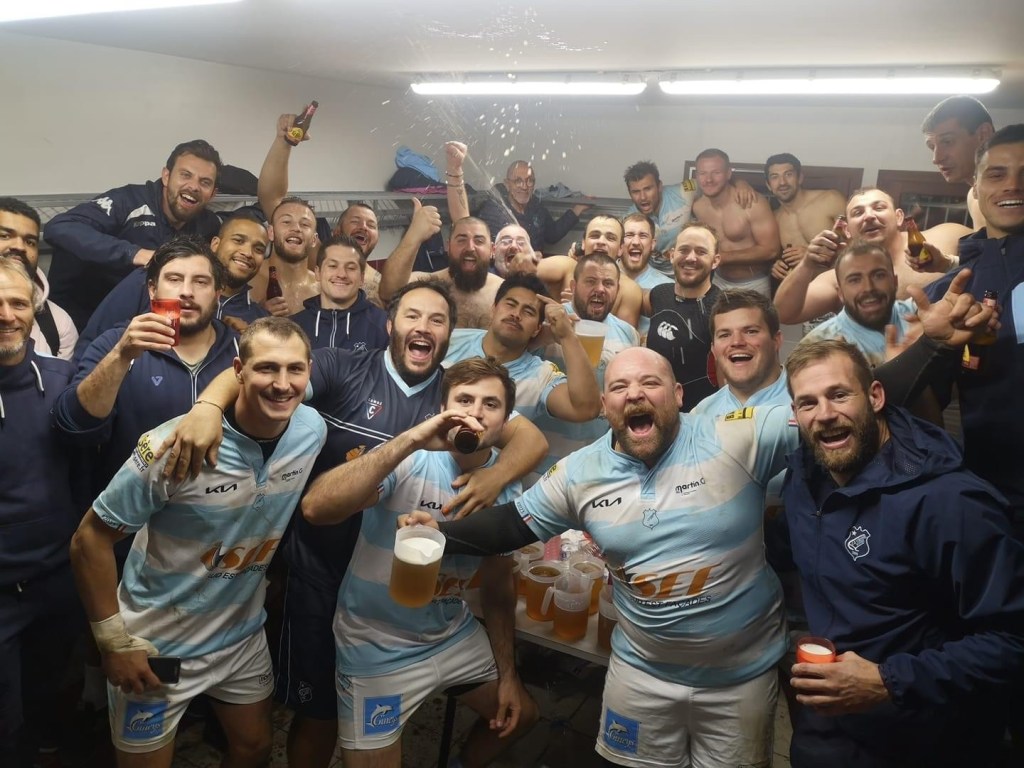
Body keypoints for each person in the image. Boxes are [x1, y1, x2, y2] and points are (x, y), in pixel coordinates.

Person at [158, 279, 549, 768]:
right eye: (412, 315)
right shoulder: (346, 366)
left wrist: (495, 476)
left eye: (437, 320)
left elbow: (528, 438)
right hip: (323, 570)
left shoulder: (455, 392)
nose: (424, 327)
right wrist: (208, 406)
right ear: (390, 324)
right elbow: (267, 375)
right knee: (319, 715)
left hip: (401, 590)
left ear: (450, 334)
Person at [401, 346, 800, 767]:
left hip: (740, 678)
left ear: (679, 394)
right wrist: (439, 533)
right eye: (620, 387)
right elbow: (511, 524)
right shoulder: (580, 472)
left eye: (650, 382)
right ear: (606, 406)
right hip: (642, 674)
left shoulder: (735, 434)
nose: (635, 394)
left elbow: (825, 420)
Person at [69, 317, 326, 768]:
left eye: (295, 370)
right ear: (239, 370)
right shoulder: (172, 447)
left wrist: (208, 402)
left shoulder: (311, 430)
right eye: (267, 368)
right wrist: (113, 643)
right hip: (158, 643)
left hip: (241, 635)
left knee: (254, 747)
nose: (282, 384)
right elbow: (88, 539)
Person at [781, 339, 1024, 768]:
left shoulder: (950, 502)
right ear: (795, 414)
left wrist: (887, 681)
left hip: (925, 735)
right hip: (831, 730)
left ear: (875, 396)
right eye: (808, 403)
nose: (825, 413)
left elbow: (1011, 640)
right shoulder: (802, 480)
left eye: (839, 394)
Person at [301, 358, 539, 767]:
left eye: (491, 404)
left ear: (505, 421)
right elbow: (316, 509)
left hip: (450, 633)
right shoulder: (412, 458)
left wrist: (509, 675)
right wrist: (410, 440)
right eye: (464, 400)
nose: (476, 412)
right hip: (376, 642)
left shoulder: (506, 486)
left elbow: (499, 584)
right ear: (444, 410)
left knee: (521, 715)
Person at [54, 236, 239, 498]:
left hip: (218, 507)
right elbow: (74, 426)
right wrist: (120, 356)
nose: (187, 292)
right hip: (131, 509)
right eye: (174, 279)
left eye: (201, 282)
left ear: (218, 293)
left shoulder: (242, 349)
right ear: (152, 290)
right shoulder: (116, 341)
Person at [0, 260, 84, 768]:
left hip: (56, 581)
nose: (6, 314)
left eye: (17, 303)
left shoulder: (63, 381)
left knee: (51, 700)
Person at [923, 123, 1024, 536]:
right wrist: (932, 348)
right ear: (977, 188)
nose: (1013, 185)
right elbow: (923, 407)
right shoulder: (950, 291)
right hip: (991, 493)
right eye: (997, 174)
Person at [45, 140, 222, 329]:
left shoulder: (208, 225)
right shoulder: (127, 202)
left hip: (155, 323)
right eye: (185, 175)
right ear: (166, 176)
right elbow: (59, 227)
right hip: (82, 319)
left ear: (212, 193)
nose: (194, 187)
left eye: (205, 182)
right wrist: (135, 254)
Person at [73, 212, 271, 361]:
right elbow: (91, 343)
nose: (247, 252)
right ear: (215, 244)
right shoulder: (149, 280)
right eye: (238, 240)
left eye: (258, 249)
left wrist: (251, 342)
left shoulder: (259, 320)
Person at [774, 187, 969, 325]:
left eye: (879, 207)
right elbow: (783, 314)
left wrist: (948, 263)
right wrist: (807, 264)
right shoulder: (841, 277)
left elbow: (988, 257)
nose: (868, 216)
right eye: (858, 212)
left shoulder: (947, 236)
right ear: (847, 229)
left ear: (899, 217)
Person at [444, 273, 601, 425]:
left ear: (537, 329)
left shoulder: (541, 375)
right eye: (510, 304)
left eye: (528, 311)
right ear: (494, 309)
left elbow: (586, 410)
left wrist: (566, 335)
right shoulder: (450, 341)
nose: (516, 314)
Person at [533, 253, 639, 473]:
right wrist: (547, 333)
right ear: (573, 286)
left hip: (597, 465)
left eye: (608, 283)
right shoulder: (551, 323)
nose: (600, 289)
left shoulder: (628, 334)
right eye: (590, 281)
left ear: (617, 290)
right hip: (543, 466)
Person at [644, 223, 722, 411]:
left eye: (701, 252)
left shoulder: (723, 308)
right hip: (655, 410)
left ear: (715, 261)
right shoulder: (659, 294)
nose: (691, 258)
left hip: (701, 416)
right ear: (672, 255)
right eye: (684, 250)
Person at [799, 242, 916, 367]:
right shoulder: (818, 345)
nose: (868, 288)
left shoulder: (920, 316)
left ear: (895, 282)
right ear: (840, 293)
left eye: (879, 276)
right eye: (854, 280)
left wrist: (927, 343)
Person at [379, 216, 503, 329]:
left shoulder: (504, 292)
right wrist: (414, 235)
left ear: (492, 250)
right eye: (461, 240)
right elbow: (388, 292)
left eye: (479, 241)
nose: (470, 248)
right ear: (448, 247)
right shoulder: (428, 283)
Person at [691, 148, 781, 297]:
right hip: (718, 280)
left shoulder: (752, 203)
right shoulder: (698, 207)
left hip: (753, 283)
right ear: (697, 176)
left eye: (716, 172)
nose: (708, 179)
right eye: (702, 173)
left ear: (728, 174)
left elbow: (771, 250)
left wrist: (724, 257)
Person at [0, 196, 78, 359]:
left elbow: (59, 374)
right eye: (5, 235)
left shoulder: (58, 323)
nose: (20, 247)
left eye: (30, 242)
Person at [535, 214, 643, 328]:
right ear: (583, 243)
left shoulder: (629, 290)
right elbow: (523, 268)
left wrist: (578, 307)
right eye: (595, 236)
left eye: (610, 238)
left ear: (621, 248)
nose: (601, 241)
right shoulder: (565, 266)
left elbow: (621, 336)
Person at [692, 289, 787, 414]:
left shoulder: (806, 399)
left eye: (750, 331)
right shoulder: (701, 414)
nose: (737, 342)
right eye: (725, 335)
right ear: (714, 350)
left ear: (776, 340)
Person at [289, 233, 388, 351]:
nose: (341, 274)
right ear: (318, 273)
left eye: (351, 268)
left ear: (362, 278)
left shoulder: (384, 326)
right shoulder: (293, 327)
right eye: (332, 266)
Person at [763, 153, 847, 287]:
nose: (782, 182)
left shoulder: (831, 200)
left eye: (788, 174)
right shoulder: (774, 219)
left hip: (838, 284)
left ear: (800, 178)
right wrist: (774, 266)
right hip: (801, 289)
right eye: (775, 177)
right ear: (768, 185)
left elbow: (858, 244)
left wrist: (812, 254)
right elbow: (773, 254)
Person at [475, 158, 590, 255]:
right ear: (507, 184)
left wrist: (577, 209)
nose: (524, 187)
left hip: (535, 268)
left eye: (529, 181)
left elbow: (552, 235)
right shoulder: (494, 211)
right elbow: (492, 253)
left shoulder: (536, 206)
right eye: (518, 181)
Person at [922, 95, 995, 229]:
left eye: (947, 141)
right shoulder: (973, 196)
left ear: (983, 134)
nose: (936, 159)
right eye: (932, 147)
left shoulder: (1014, 191)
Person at [623, 160, 698, 276]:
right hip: (654, 273)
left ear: (659, 186)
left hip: (689, 268)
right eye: (636, 192)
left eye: (648, 189)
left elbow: (713, 183)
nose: (642, 197)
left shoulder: (683, 192)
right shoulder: (629, 220)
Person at [249, 196, 320, 316]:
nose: (296, 228)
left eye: (304, 224)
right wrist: (258, 314)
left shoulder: (322, 290)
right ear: (271, 232)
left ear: (314, 239)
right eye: (286, 222)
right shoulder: (248, 279)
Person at [618, 212, 671, 337]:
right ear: (620, 242)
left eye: (643, 236)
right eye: (629, 235)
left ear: (652, 244)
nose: (636, 242)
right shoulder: (602, 278)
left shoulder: (667, 287)